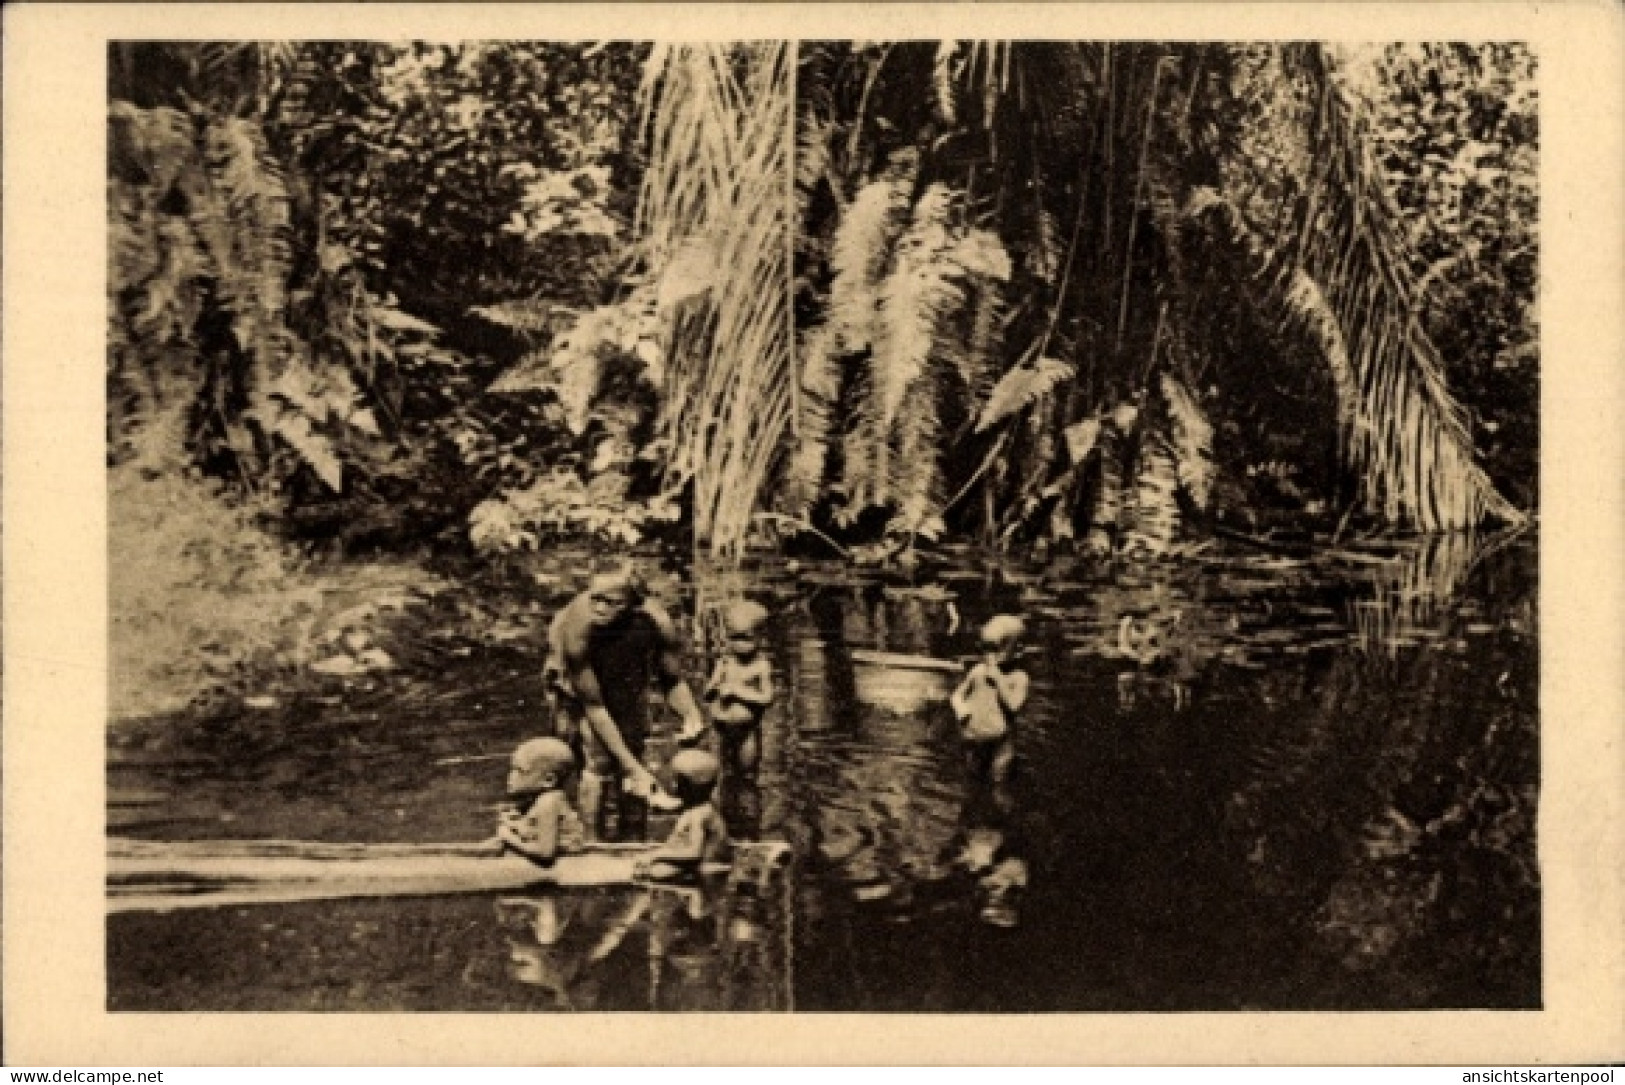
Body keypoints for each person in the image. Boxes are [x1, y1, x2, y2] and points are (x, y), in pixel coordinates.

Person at [543, 562, 708, 840]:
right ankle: (588, 840)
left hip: (625, 675)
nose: (599, 607)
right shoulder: (578, 628)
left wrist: (691, 714)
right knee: (595, 759)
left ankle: (634, 837)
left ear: (633, 603)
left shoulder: (656, 622)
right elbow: (594, 706)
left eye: (610, 602)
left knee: (633, 746)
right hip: (577, 682)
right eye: (594, 597)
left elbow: (672, 679)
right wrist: (635, 770)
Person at [949, 614, 1030, 809]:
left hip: (1000, 745)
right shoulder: (977, 671)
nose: (988, 657)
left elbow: (1014, 706)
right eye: (985, 649)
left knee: (998, 783)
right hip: (975, 740)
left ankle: (999, 814)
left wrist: (1000, 681)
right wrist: (961, 710)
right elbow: (956, 695)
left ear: (1018, 651)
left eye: (996, 650)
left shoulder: (1019, 678)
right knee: (972, 781)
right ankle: (972, 811)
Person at [702, 599, 774, 794]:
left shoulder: (761, 665)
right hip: (723, 730)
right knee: (725, 774)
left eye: (746, 638)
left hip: (747, 731)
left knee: (747, 775)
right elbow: (708, 692)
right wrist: (713, 688)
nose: (740, 645)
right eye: (734, 638)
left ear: (761, 637)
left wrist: (737, 691)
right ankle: (729, 810)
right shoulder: (724, 662)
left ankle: (748, 811)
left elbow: (767, 698)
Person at [634, 749, 731, 883]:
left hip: (706, 871)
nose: (674, 785)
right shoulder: (695, 809)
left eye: (678, 781)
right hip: (698, 868)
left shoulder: (700, 814)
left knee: (653, 873)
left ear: (690, 786)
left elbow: (694, 853)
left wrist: (656, 855)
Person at [496, 736, 586, 867]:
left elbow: (546, 853)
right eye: (512, 769)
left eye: (520, 771)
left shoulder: (548, 802)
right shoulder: (537, 799)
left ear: (548, 780)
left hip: (566, 864)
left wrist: (507, 837)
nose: (510, 777)